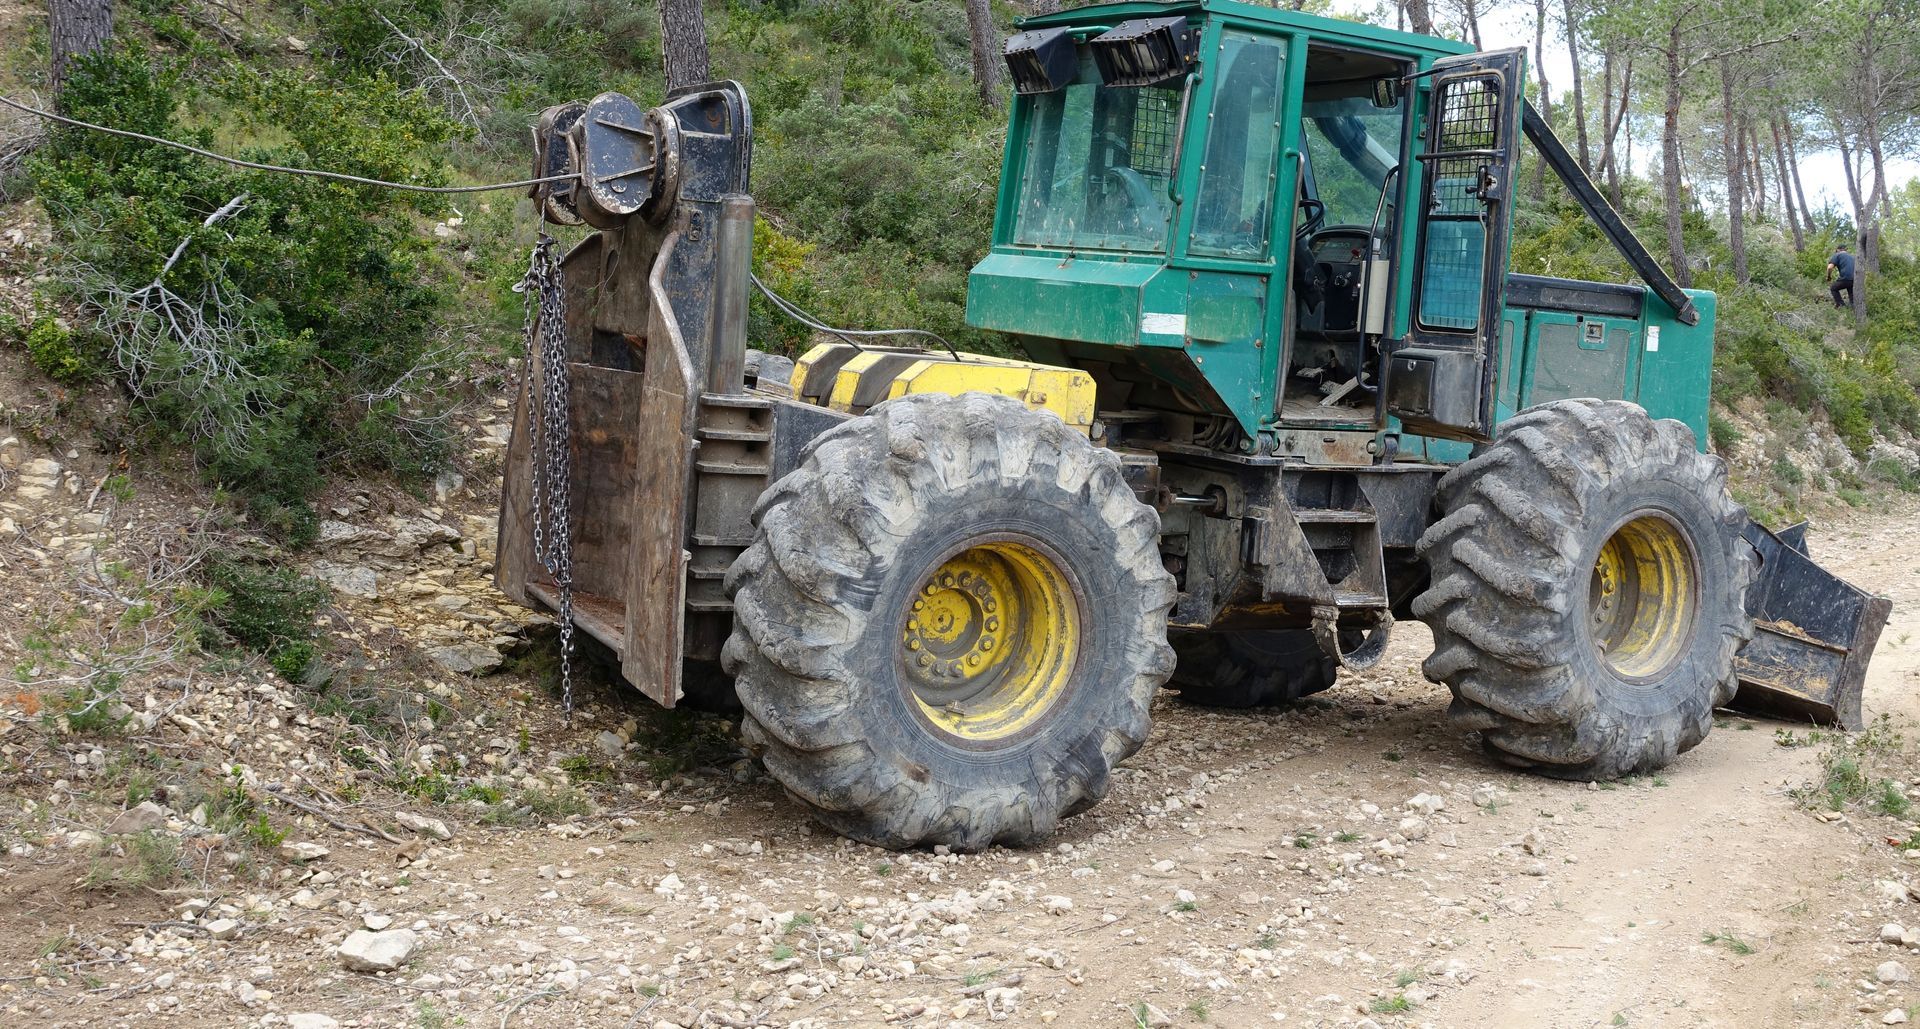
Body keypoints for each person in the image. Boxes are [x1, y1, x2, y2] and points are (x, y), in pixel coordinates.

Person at [1828, 244, 1856, 308]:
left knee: (1833, 288)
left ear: (1838, 250)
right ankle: (1853, 308)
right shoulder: (1852, 257)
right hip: (1854, 279)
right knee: (1851, 294)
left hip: (1845, 279)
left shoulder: (1838, 255)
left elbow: (1829, 267)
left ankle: (1841, 305)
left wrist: (1829, 276)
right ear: (1846, 250)